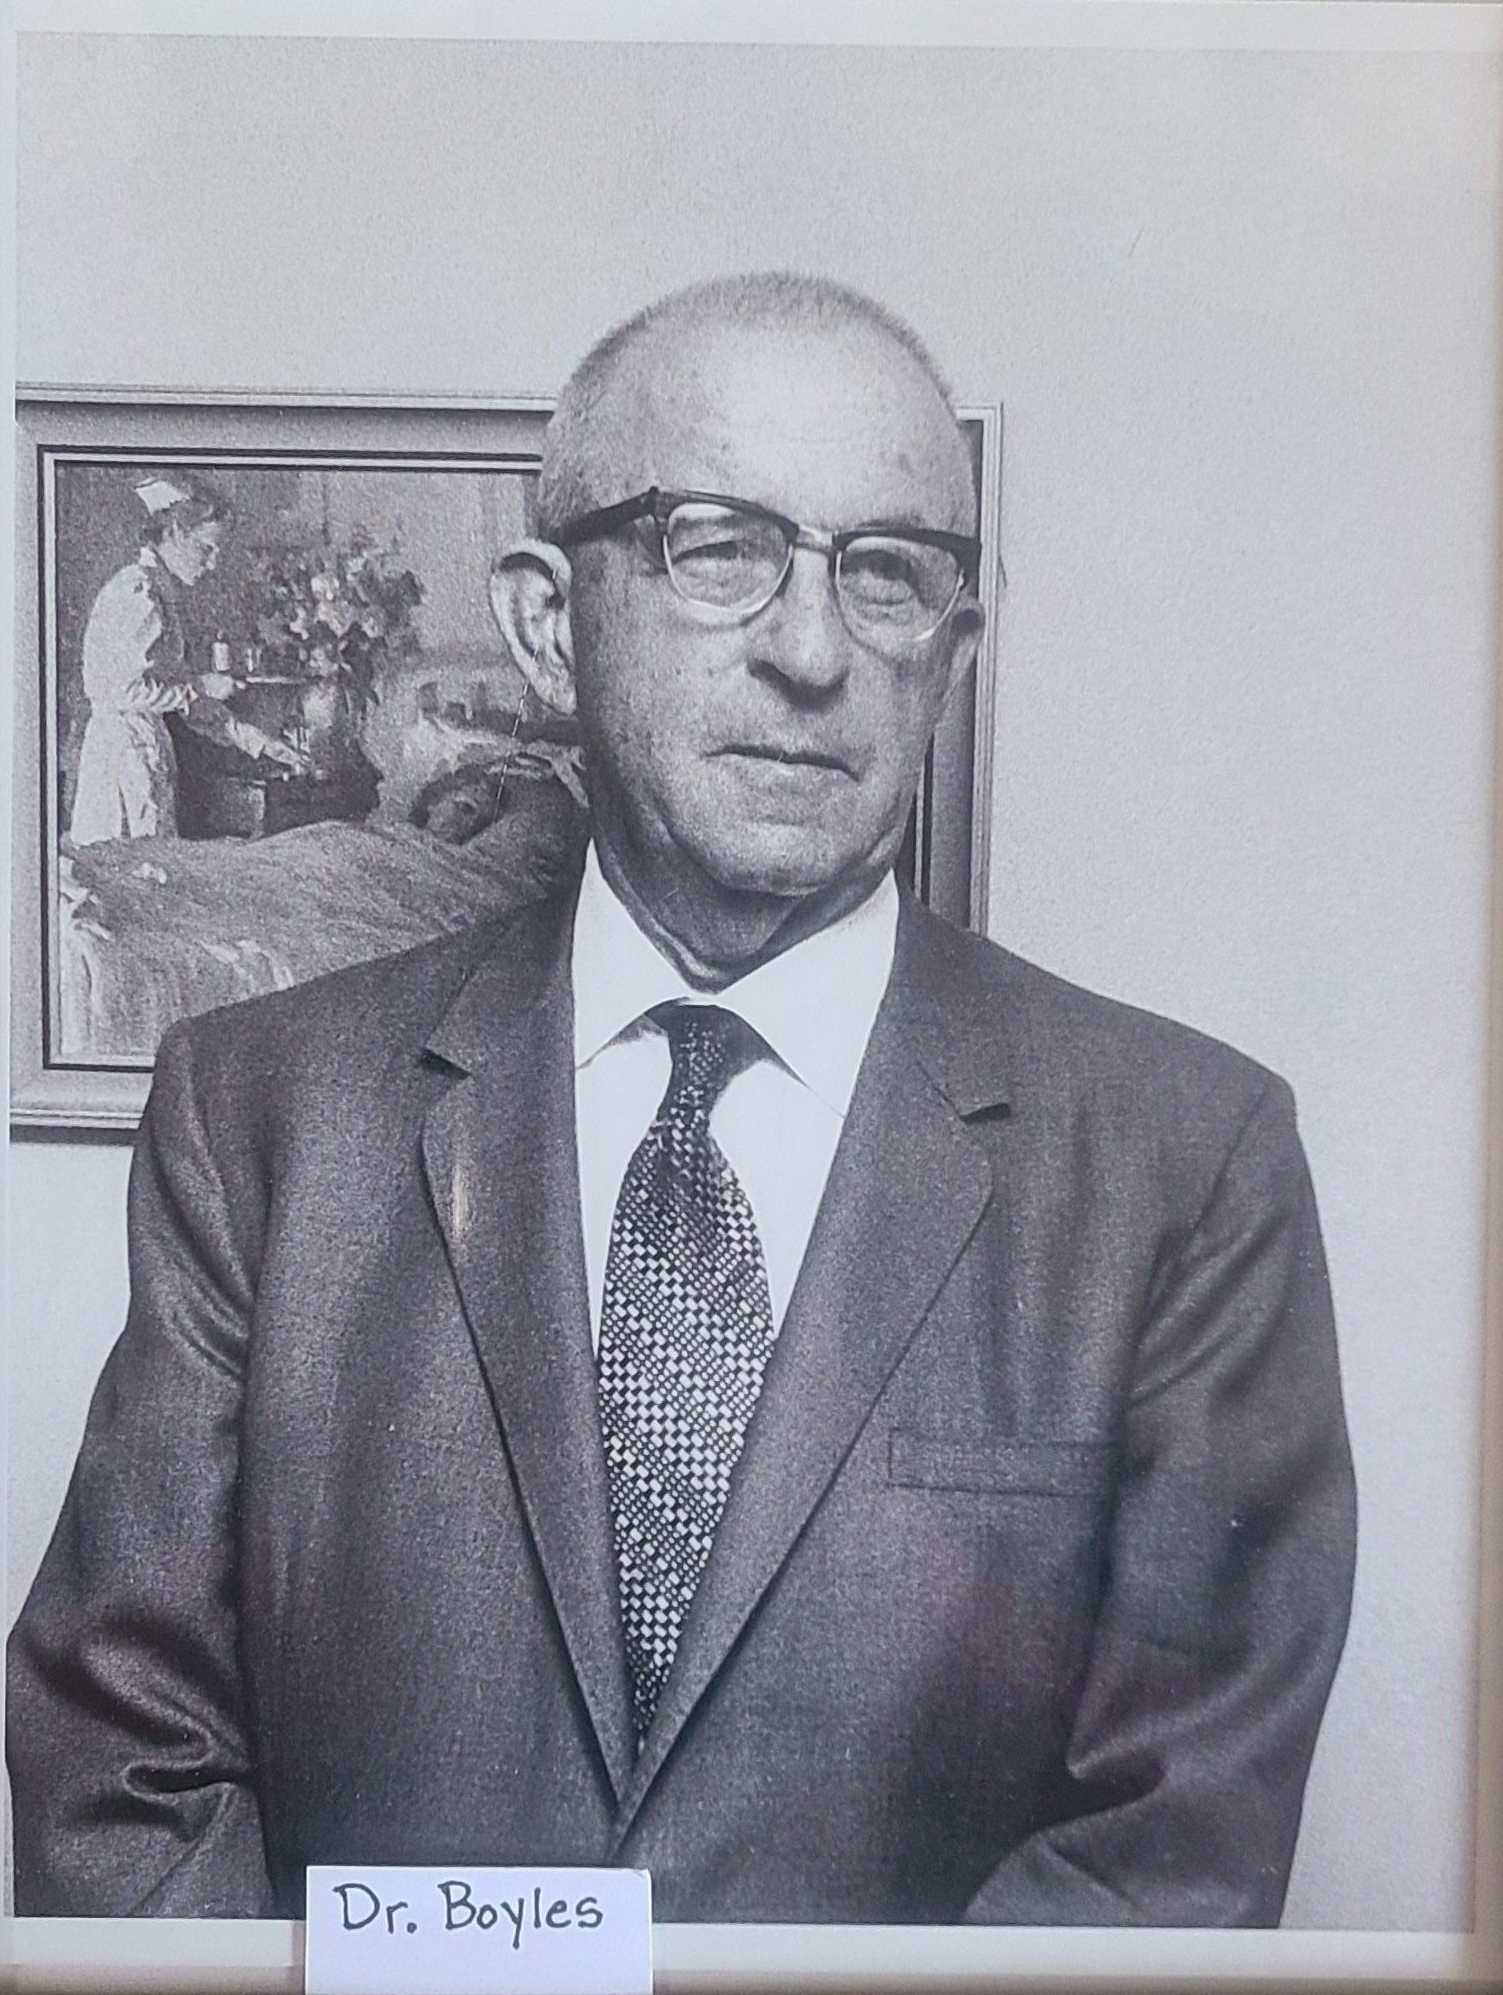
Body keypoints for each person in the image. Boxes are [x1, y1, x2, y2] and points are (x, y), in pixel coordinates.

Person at [8, 274, 1356, 1926]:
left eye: (885, 572)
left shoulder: (1184, 1163)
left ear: (948, 653)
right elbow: (121, 1757)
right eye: (719, 550)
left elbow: (1174, 1842)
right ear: (545, 623)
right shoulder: (262, 1116)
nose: (810, 651)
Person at [67, 474, 309, 845]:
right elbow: (121, 690)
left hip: (144, 751)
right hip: (121, 760)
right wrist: (199, 685)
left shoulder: (159, 592)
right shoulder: (137, 591)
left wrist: (259, 742)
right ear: (177, 532)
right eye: (206, 549)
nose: (212, 564)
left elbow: (183, 699)